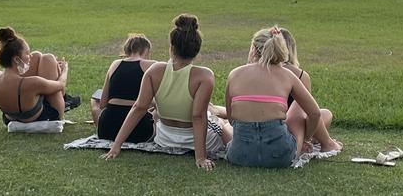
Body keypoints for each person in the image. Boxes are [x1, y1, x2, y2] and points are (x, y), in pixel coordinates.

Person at [102, 14, 231, 171]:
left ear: (172, 48)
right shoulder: (205, 75)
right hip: (196, 140)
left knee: (213, 116)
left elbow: (139, 108)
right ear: (197, 50)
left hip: (165, 139)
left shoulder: (154, 70)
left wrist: (116, 145)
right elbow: (198, 117)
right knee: (222, 123)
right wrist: (201, 157)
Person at [224, 27, 342, 168]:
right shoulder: (288, 75)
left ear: (254, 50)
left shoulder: (235, 74)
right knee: (298, 108)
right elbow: (315, 113)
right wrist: (306, 137)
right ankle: (322, 143)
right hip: (280, 156)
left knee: (226, 127)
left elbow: (231, 120)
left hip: (239, 156)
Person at [0, 27, 75, 125]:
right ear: (17, 60)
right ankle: (64, 103)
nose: (30, 56)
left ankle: (63, 98)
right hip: (41, 118)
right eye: (27, 53)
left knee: (38, 55)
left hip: (10, 119)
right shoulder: (32, 83)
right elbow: (61, 84)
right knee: (49, 59)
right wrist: (64, 69)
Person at [280, 27, 336, 154]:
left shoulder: (255, 71)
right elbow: (310, 112)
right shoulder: (300, 75)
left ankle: (314, 139)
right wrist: (307, 137)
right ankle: (323, 142)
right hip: (292, 125)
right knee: (321, 114)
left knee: (325, 113)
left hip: (272, 122)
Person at [91, 34, 156, 142]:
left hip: (107, 131)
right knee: (158, 111)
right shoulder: (152, 65)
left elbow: (103, 103)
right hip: (140, 131)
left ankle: (98, 125)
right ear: (146, 50)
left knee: (94, 100)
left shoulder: (115, 64)